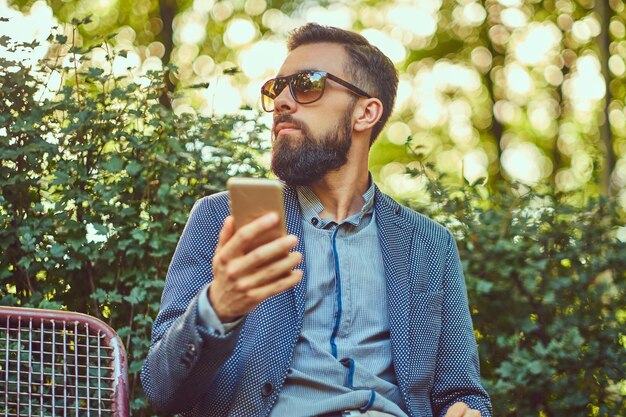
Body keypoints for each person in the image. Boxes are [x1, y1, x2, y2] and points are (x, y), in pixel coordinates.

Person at [141, 23, 492, 417]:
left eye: (307, 85)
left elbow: (463, 392)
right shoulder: (221, 219)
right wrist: (218, 307)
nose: (282, 102)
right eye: (277, 88)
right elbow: (161, 388)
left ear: (365, 112)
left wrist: (466, 411)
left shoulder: (429, 244)